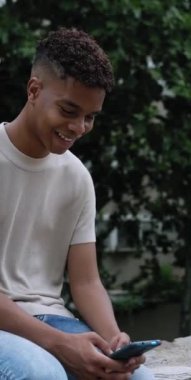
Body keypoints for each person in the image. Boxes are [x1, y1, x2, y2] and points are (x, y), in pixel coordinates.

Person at [0, 27, 155, 380]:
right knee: (42, 373)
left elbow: (85, 282)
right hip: (17, 331)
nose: (79, 126)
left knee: (136, 377)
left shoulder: (76, 177)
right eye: (69, 110)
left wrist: (113, 340)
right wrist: (58, 344)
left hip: (51, 321)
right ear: (34, 89)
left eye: (90, 116)